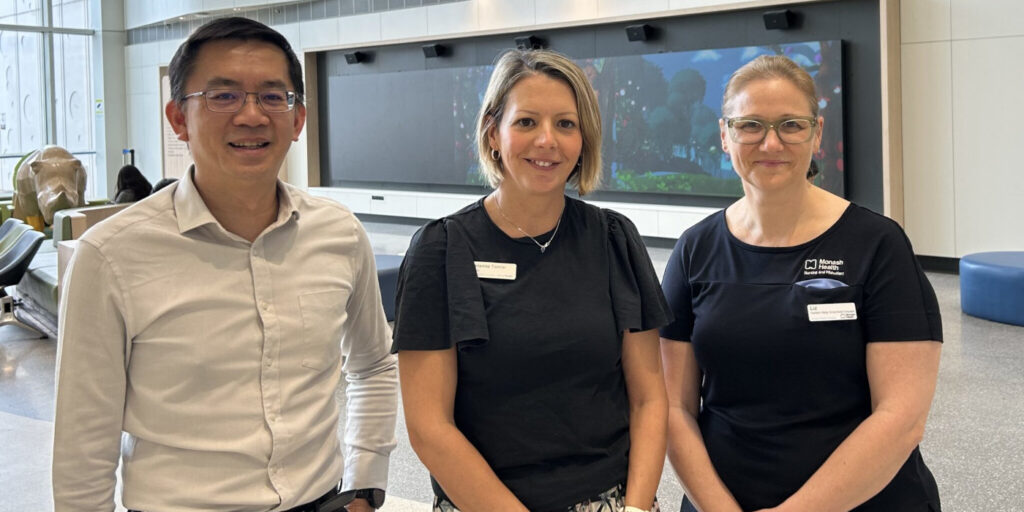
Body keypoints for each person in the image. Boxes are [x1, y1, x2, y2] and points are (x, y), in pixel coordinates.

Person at [52, 17, 397, 512]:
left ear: (298, 120)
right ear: (178, 118)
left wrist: (364, 483)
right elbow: (83, 443)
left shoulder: (339, 233)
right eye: (223, 96)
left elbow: (373, 365)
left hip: (320, 499)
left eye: (273, 97)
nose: (252, 116)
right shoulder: (111, 256)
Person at [659, 55, 943, 512]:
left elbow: (901, 417)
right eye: (750, 124)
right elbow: (673, 408)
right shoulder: (695, 249)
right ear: (724, 135)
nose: (771, 142)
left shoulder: (877, 245)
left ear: (817, 132)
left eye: (790, 124)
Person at [392, 49, 672, 512]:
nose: (547, 141)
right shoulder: (441, 249)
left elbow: (648, 400)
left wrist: (637, 509)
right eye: (526, 122)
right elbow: (428, 427)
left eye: (566, 124)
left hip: (613, 501)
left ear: (585, 139)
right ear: (493, 133)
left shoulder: (613, 239)